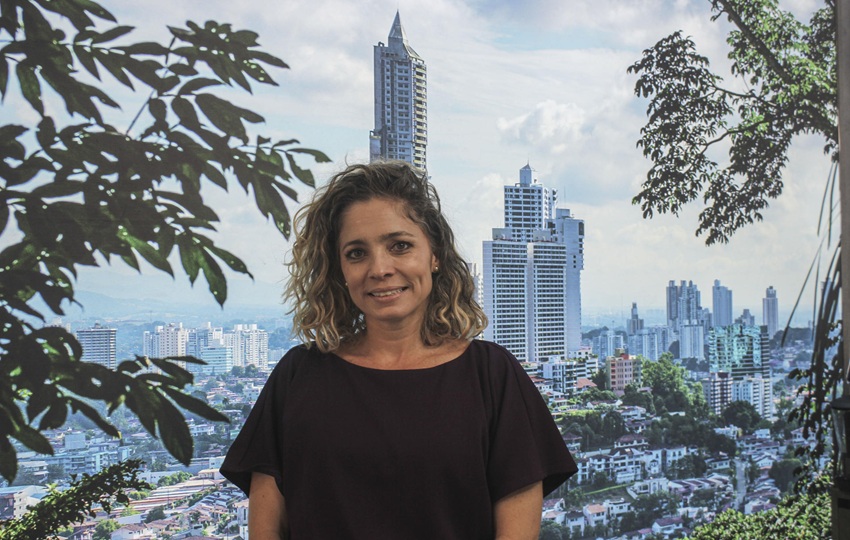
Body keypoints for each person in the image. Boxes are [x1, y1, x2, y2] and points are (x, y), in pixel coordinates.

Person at [220, 161, 577, 539]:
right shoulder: (299, 376)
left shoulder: (492, 376)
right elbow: (266, 528)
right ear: (339, 268)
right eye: (356, 253)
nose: (380, 268)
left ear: (434, 254)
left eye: (400, 246)